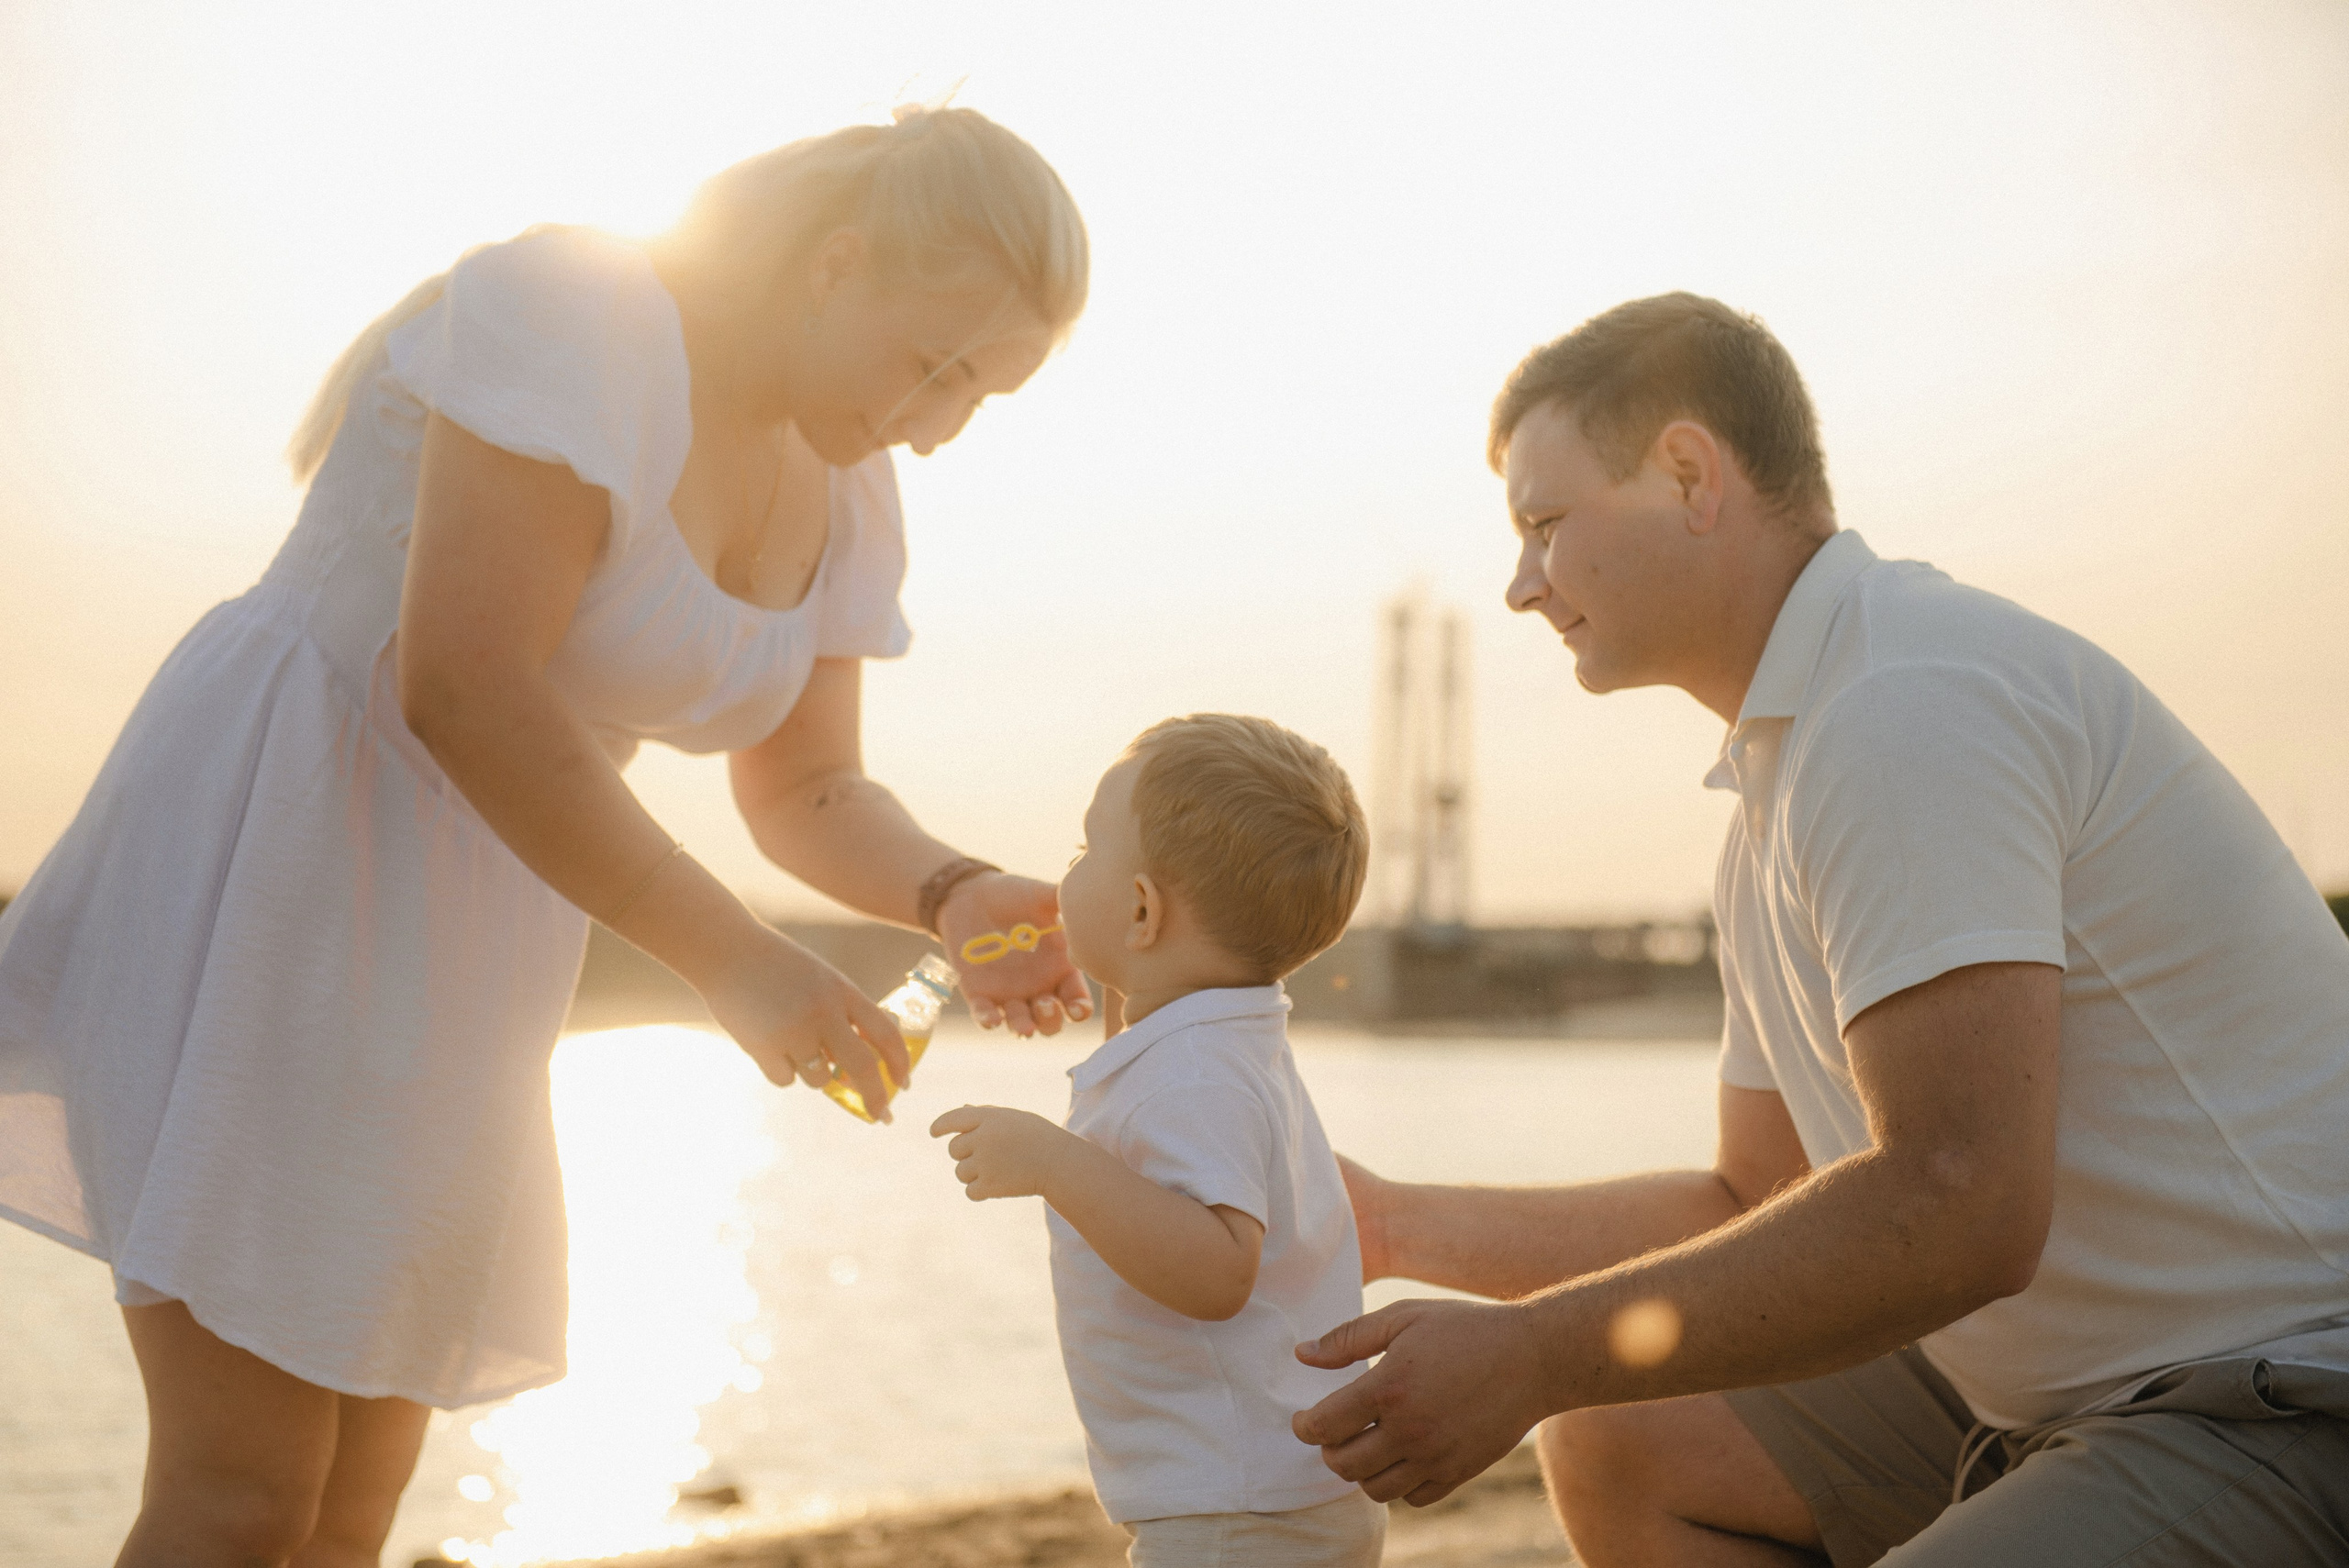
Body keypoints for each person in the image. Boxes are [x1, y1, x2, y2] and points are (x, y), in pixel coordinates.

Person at [0, 106, 1094, 1567]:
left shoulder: (847, 490)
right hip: (295, 856)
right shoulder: (581, 314)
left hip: (474, 933)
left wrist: (952, 892)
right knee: (244, 1490)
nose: (940, 421)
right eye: (935, 364)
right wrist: (739, 964)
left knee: (347, 1511)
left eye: (985, 396)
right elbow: (459, 686)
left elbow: (807, 788)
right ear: (836, 266)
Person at [1290, 294, 2349, 1565]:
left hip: (2277, 1387)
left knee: (1580, 1385)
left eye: (1544, 525)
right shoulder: (1778, 781)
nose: (1521, 587)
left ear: (1688, 473)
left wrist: (1525, 1353)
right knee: (1620, 1437)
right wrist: (1395, 1225)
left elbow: (1962, 1202)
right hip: (2052, 1389)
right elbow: (1753, 1198)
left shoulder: (1905, 701)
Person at [932, 714, 1384, 1567]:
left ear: (1141, 907)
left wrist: (1051, 1160)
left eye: (1083, 850)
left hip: (1234, 1509)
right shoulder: (1219, 1035)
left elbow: (1216, 1269)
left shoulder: (1195, 1074)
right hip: (1265, 1493)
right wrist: (1116, 975)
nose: (1065, 872)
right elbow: (1159, 1068)